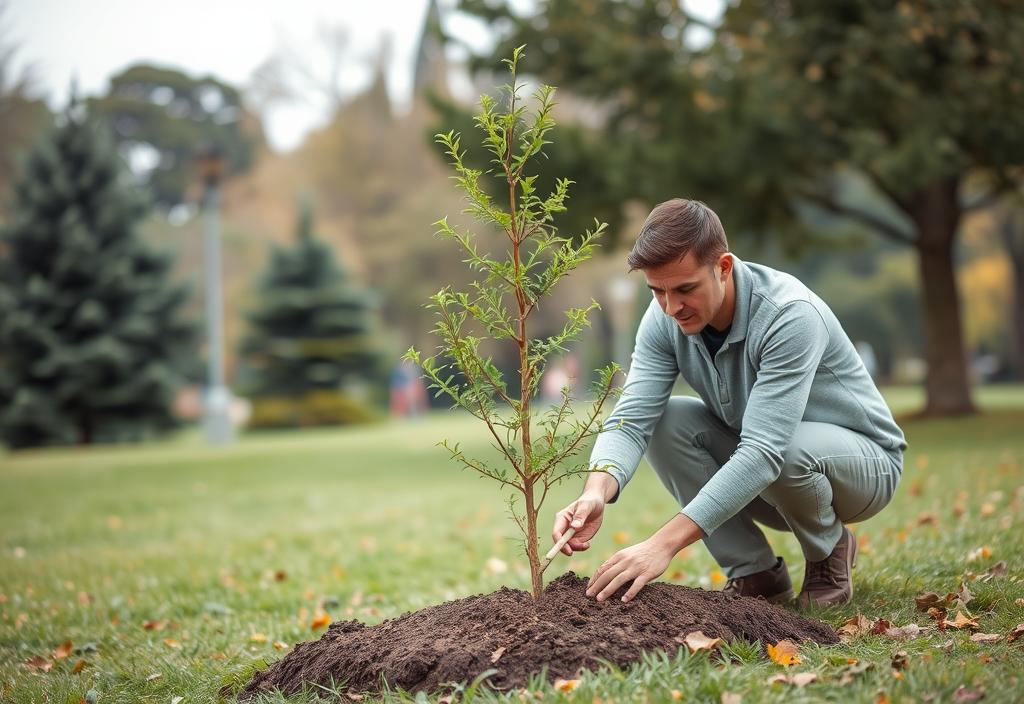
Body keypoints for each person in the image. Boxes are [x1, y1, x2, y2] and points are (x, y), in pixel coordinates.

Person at [551, 199, 906, 608]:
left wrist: (661, 545)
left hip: (862, 471)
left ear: (723, 267)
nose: (671, 307)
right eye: (658, 291)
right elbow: (632, 419)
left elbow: (763, 451)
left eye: (685, 289)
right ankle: (755, 574)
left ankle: (828, 551)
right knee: (664, 421)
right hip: (774, 479)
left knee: (784, 450)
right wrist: (596, 491)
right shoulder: (663, 317)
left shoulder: (789, 315)